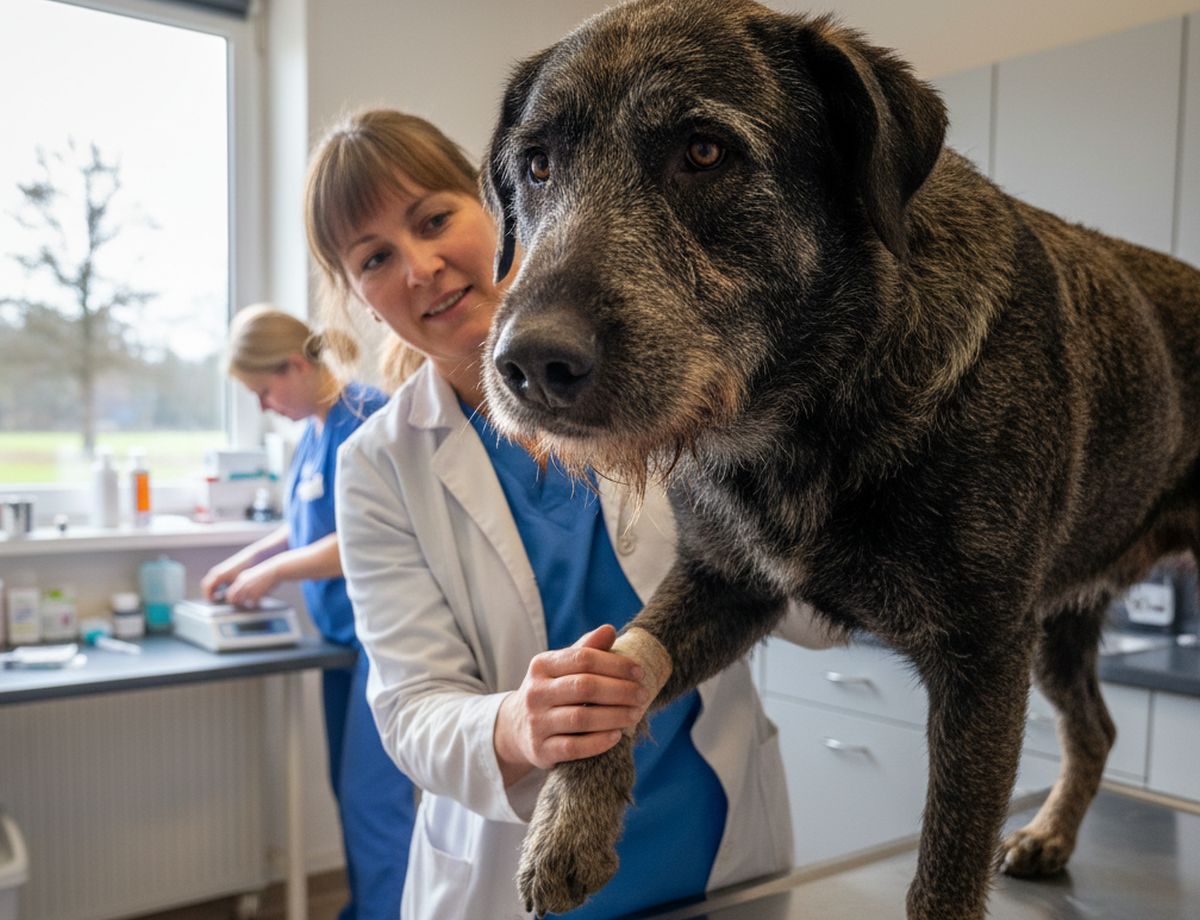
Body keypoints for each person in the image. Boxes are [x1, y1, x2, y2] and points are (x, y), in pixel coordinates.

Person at [305, 108, 805, 920]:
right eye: (375, 258)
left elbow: (798, 605)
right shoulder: (378, 465)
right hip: (511, 877)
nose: (422, 266)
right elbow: (411, 710)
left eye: (435, 220)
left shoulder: (683, 380)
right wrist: (516, 724)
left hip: (711, 851)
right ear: (357, 297)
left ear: (501, 204)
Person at [200, 304, 415, 920]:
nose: (266, 406)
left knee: (375, 801)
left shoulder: (367, 419)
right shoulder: (313, 435)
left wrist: (269, 573)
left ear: (296, 366)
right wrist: (245, 559)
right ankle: (370, 908)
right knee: (345, 792)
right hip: (338, 642)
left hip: (384, 642)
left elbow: (365, 538)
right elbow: (303, 529)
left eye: (265, 390)